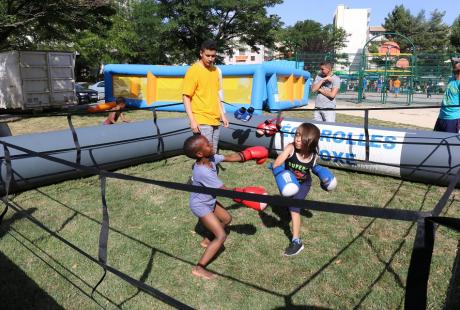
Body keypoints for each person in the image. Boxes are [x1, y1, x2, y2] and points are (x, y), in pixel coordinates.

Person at [183, 134, 268, 279]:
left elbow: (228, 157)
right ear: (199, 153)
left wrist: (246, 155)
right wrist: (245, 195)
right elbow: (223, 190)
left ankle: (207, 240)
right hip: (200, 205)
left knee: (227, 219)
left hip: (209, 200)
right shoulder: (202, 171)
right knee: (221, 236)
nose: (211, 144)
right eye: (207, 145)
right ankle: (199, 267)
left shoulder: (209, 158)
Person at [272, 123, 320, 256]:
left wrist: (324, 179)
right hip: (288, 181)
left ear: (310, 141)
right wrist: (280, 174)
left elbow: (314, 168)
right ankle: (290, 211)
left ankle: (296, 241)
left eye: (302, 137)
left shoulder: (313, 155)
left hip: (304, 184)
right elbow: (276, 164)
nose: (297, 139)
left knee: (294, 208)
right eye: (297, 135)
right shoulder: (290, 148)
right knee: (289, 200)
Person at [183, 40, 228, 154]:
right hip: (202, 119)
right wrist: (192, 121)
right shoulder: (193, 71)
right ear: (201, 53)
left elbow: (216, 95)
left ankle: (212, 172)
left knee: (213, 152)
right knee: (204, 154)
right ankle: (202, 172)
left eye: (213, 56)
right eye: (207, 55)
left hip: (216, 120)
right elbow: (186, 97)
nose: (210, 58)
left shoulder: (215, 71)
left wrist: (222, 115)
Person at [433, 58, 460, 133]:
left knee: (450, 143)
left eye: (457, 62)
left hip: (453, 119)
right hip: (441, 116)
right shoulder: (451, 79)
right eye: (455, 63)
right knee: (436, 141)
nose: (455, 64)